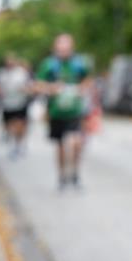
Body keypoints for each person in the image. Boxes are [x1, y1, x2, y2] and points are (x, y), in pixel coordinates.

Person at [35, 34, 92, 189]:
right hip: (56, 112)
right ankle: (61, 176)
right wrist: (51, 88)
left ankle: (74, 173)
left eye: (67, 48)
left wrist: (81, 89)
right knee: (60, 146)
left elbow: (88, 80)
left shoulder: (79, 63)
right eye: (61, 48)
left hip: (75, 110)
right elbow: (38, 84)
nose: (64, 51)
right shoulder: (49, 64)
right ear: (55, 48)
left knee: (76, 142)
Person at [0, 53, 33, 157]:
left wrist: (24, 90)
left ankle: (19, 144)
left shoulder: (21, 73)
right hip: (7, 104)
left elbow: (29, 86)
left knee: (19, 125)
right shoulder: (1, 73)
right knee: (9, 126)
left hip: (20, 103)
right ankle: (13, 144)